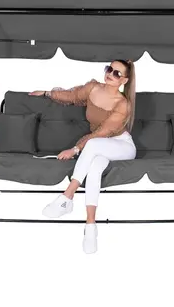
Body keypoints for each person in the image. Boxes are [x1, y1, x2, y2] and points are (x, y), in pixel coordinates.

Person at [29, 59, 137, 253]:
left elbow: (101, 133)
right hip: (99, 148)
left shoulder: (123, 104)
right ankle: (90, 227)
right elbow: (71, 95)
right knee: (94, 168)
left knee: (93, 145)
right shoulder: (93, 88)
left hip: (122, 146)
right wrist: (46, 93)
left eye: (117, 73)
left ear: (124, 80)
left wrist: (75, 149)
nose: (110, 74)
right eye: (109, 69)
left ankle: (67, 196)